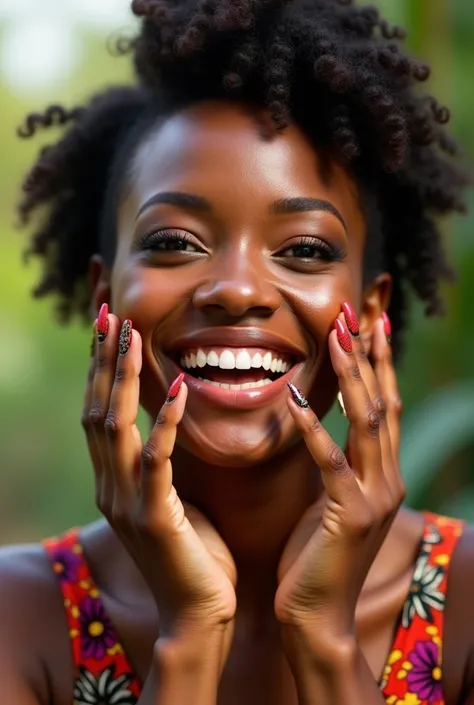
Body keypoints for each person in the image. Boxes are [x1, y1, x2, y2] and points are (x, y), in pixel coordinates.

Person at [1, 0, 472, 703]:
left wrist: (324, 639)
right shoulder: (20, 613)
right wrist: (189, 638)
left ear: (371, 310)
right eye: (173, 242)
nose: (236, 289)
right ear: (107, 296)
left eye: (305, 249)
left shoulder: (462, 597)